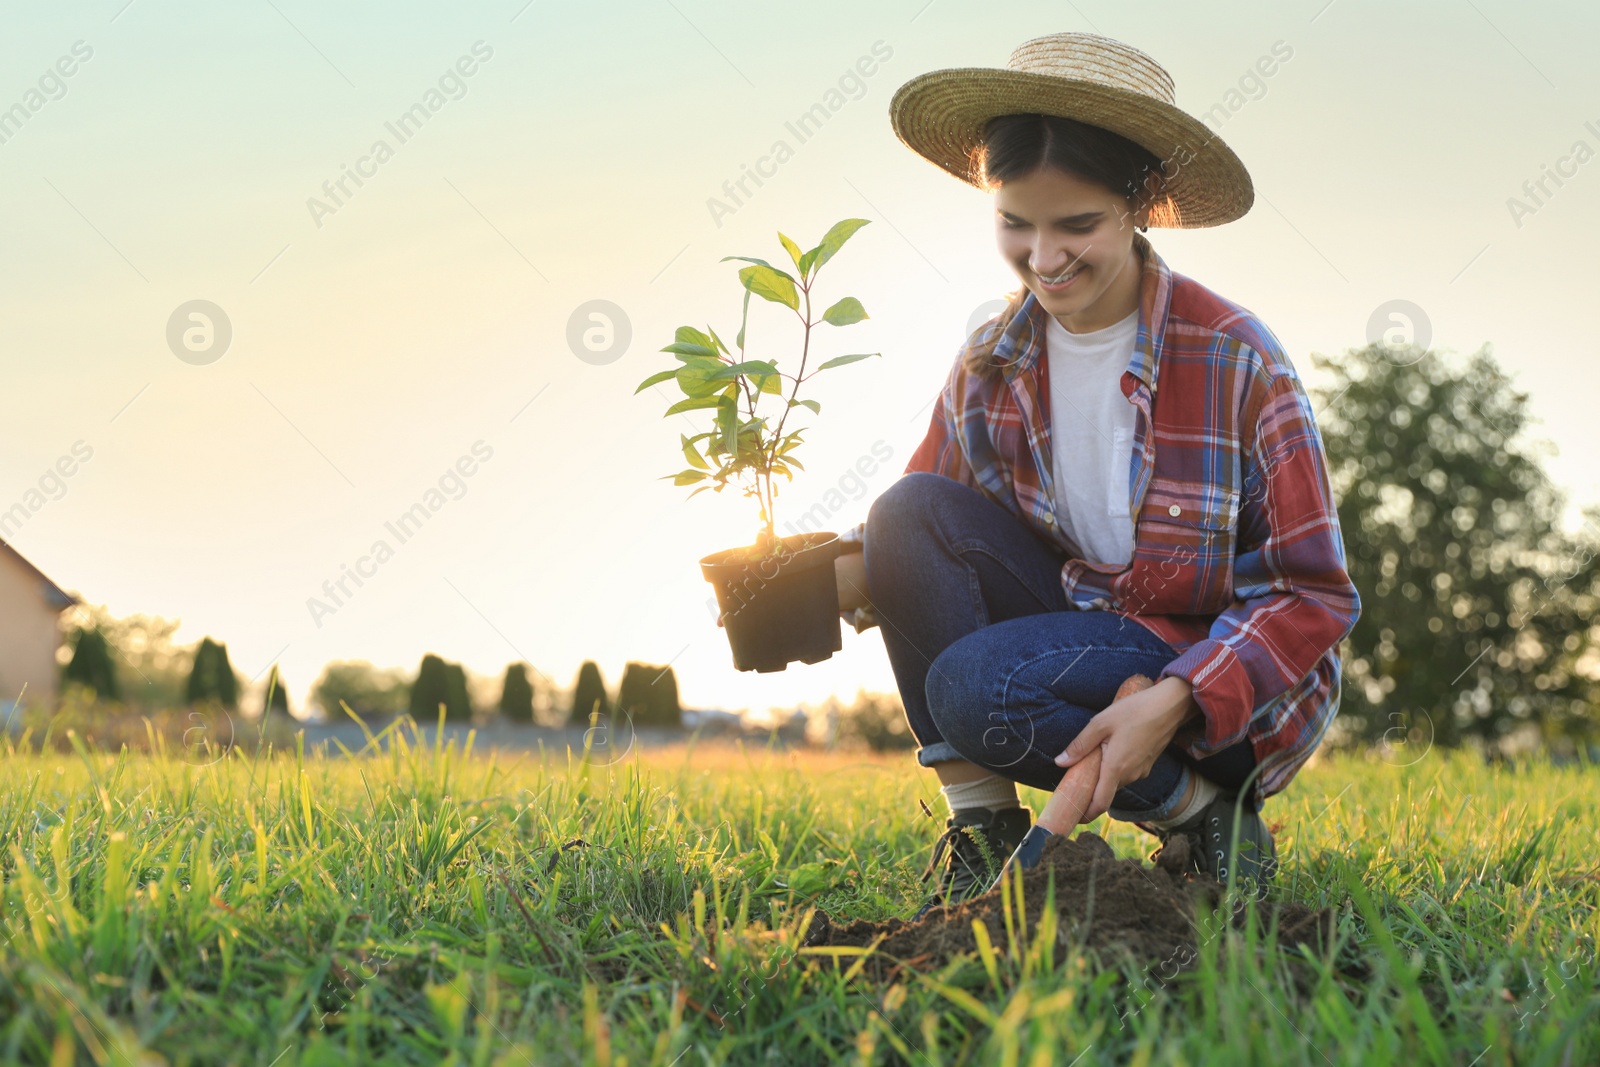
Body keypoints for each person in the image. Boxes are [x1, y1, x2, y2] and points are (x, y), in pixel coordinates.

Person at [832, 32, 1361, 907]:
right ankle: (985, 836)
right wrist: (814, 576)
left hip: (1214, 676)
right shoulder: (992, 358)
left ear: (1141, 203)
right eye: (1018, 224)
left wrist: (1181, 697)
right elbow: (923, 524)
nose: (1044, 259)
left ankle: (1204, 808)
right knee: (905, 511)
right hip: (1079, 625)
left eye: (1076, 224)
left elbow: (1314, 593)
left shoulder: (1236, 358)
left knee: (972, 687)